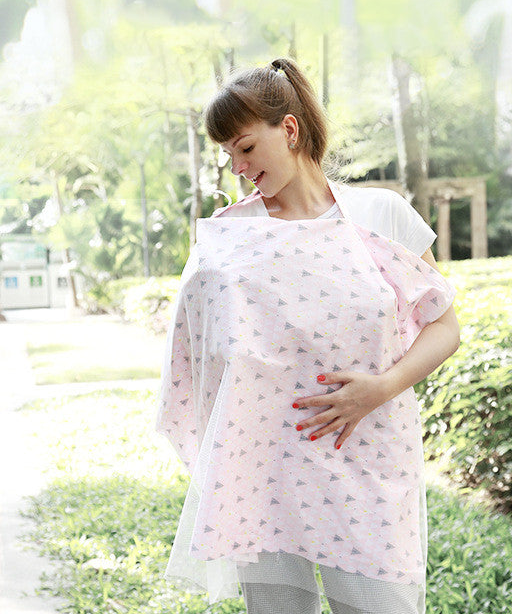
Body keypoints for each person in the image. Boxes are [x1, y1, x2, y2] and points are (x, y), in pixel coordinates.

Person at [156, 57, 460, 614]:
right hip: (268, 467)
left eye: (245, 148)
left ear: (289, 129)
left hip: (369, 453)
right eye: (228, 156)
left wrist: (381, 387)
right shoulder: (229, 236)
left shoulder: (381, 214)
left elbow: (443, 325)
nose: (238, 167)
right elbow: (198, 348)